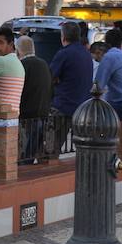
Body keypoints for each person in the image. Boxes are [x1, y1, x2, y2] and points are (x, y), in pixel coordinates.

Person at [48, 22, 94, 153]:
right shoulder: (86, 53)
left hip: (63, 105)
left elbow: (50, 77)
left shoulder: (64, 54)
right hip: (82, 107)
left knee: (50, 148)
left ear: (63, 37)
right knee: (81, 149)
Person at [17, 35, 52, 162]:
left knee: (27, 150)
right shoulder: (43, 63)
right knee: (34, 145)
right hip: (43, 111)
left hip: (27, 113)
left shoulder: (21, 66)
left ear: (18, 50)